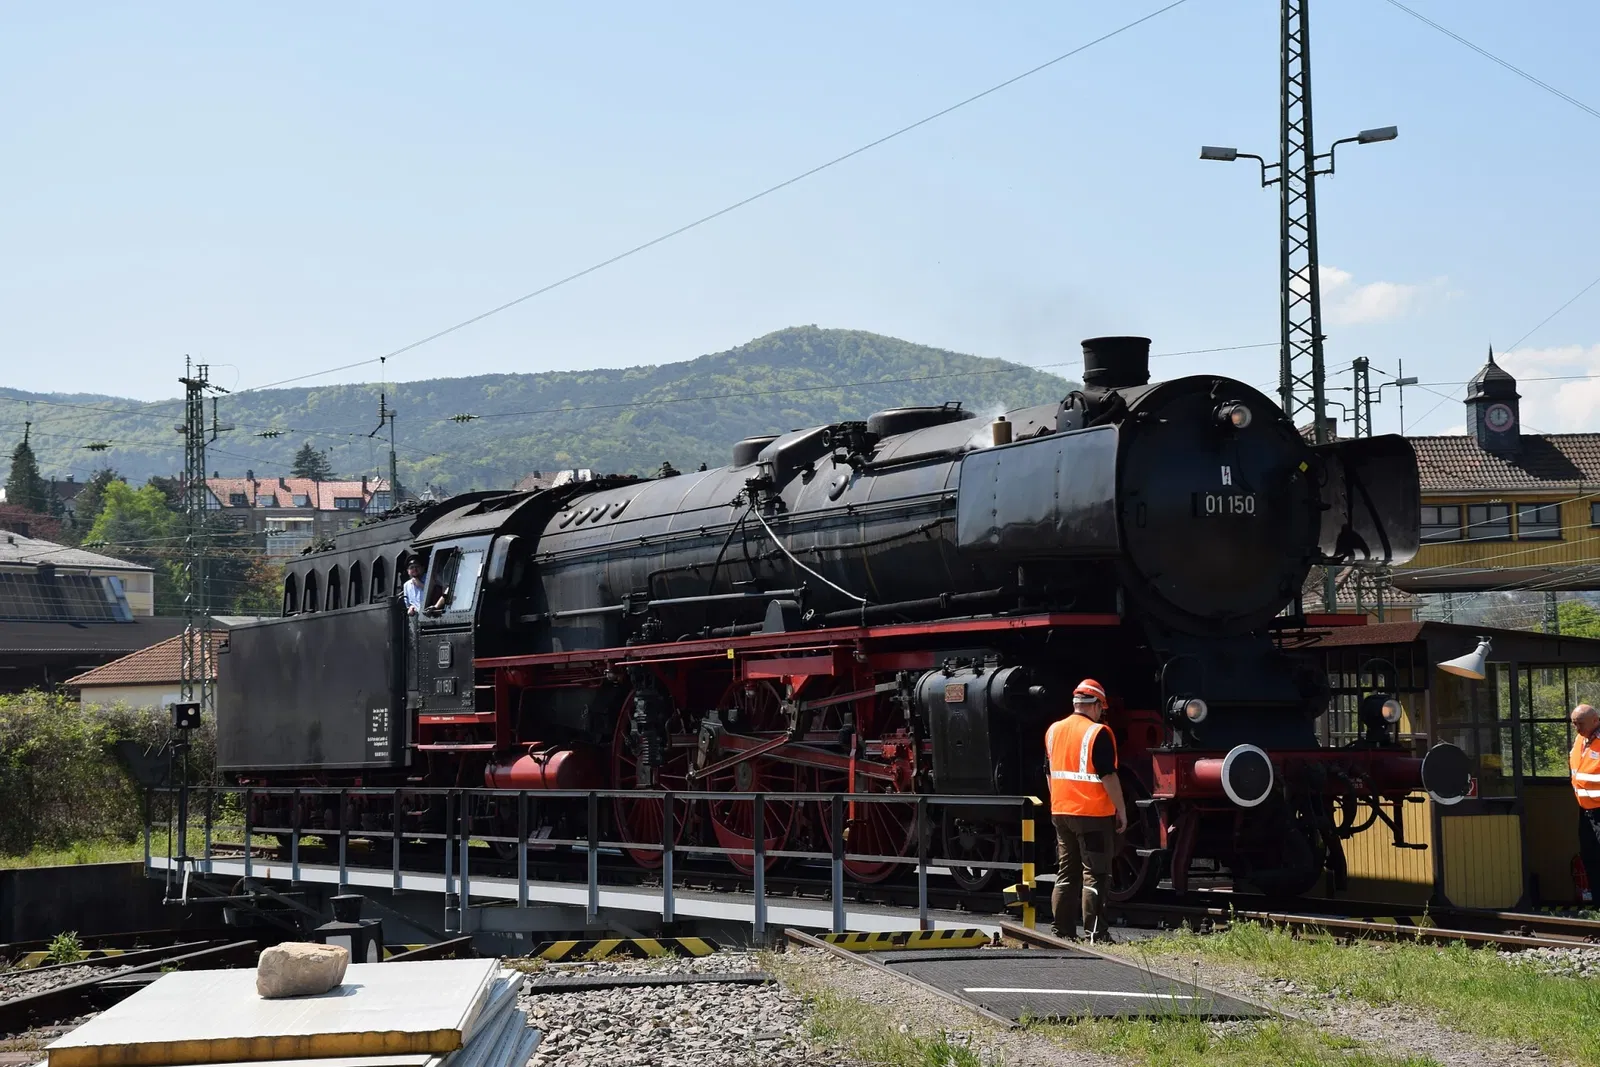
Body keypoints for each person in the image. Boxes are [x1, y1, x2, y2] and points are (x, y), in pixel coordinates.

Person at [1045, 678, 1128, 942]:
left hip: (1061, 812)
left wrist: (1059, 801)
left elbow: (1049, 773)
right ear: (1096, 706)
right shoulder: (1097, 733)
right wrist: (1121, 809)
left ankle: (1061, 931)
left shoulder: (1054, 730)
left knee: (1066, 871)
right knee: (1096, 872)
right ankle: (1095, 934)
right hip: (1092, 814)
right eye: (1102, 709)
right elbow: (1109, 777)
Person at [1570, 703, 1600, 901]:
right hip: (1586, 812)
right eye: (1574, 724)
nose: (1577, 728)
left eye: (1580, 723)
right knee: (1591, 860)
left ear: (1595, 721)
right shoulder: (1580, 740)